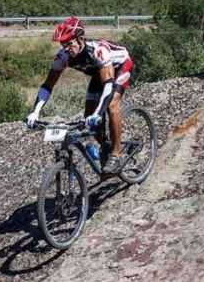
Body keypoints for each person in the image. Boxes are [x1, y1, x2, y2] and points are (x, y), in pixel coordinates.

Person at [25, 16, 133, 174]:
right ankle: (106, 145)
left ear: (80, 39)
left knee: (111, 106)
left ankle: (116, 154)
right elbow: (48, 85)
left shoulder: (98, 50)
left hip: (119, 67)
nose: (66, 48)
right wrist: (35, 112)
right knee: (88, 117)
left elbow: (108, 85)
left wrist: (98, 113)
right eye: (63, 44)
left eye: (69, 43)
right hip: (100, 73)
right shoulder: (63, 56)